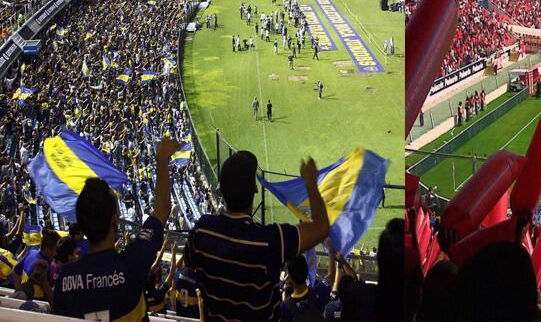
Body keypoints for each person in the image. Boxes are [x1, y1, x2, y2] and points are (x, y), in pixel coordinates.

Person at [185, 151, 330, 321]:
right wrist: (311, 183)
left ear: (222, 190)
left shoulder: (202, 229)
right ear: (254, 190)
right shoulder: (270, 239)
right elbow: (321, 228)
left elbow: (189, 263)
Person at [53, 137, 181, 320]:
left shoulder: (65, 281)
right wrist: (161, 159)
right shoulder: (133, 262)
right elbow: (162, 211)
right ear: (115, 219)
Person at [279, 254, 332, 321]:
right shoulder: (319, 291)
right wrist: (330, 250)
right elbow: (331, 275)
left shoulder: (284, 307)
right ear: (307, 272)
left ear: (290, 277)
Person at [14, 228, 59, 301]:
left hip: (27, 296)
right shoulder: (44, 266)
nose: (57, 253)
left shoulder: (32, 252)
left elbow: (15, 272)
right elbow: (50, 295)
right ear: (47, 249)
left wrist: (19, 291)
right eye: (56, 250)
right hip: (38, 302)